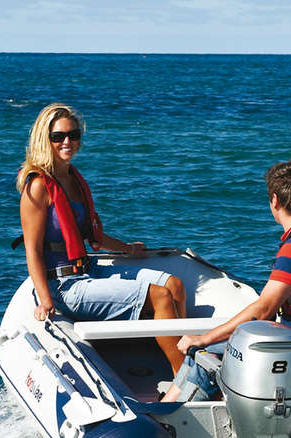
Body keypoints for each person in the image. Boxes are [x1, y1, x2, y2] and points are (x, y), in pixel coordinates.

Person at [161, 160, 291, 402]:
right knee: (209, 351)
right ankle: (169, 404)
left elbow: (264, 309)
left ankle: (170, 420)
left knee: (204, 356)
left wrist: (204, 338)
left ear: (275, 200)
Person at [17, 103, 186, 373]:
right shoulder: (37, 186)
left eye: (73, 135)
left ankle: (181, 359)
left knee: (174, 284)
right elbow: (33, 250)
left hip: (89, 271)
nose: (67, 142)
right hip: (64, 286)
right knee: (161, 296)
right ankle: (185, 381)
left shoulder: (72, 179)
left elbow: (92, 237)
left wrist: (128, 249)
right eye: (58, 136)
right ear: (44, 139)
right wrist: (45, 299)